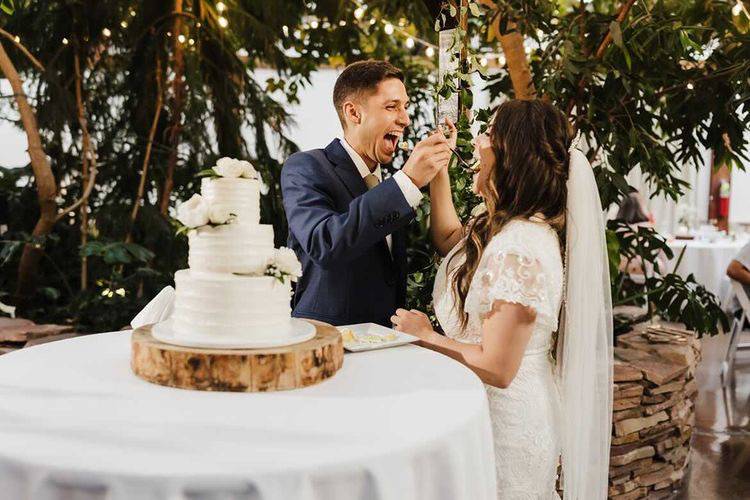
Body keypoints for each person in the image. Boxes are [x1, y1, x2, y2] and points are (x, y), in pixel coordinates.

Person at [392, 100, 613, 498]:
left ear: (513, 153)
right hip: (493, 411)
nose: (478, 141)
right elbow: (449, 241)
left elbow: (497, 366)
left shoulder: (520, 248)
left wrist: (425, 335)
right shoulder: (510, 225)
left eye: (490, 134)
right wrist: (439, 171)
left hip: (509, 425)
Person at [281, 60, 452, 326]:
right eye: (391, 106)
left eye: (404, 107)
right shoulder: (306, 167)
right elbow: (323, 243)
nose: (405, 119)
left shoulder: (390, 182)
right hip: (327, 344)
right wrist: (407, 181)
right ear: (353, 113)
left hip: (385, 344)